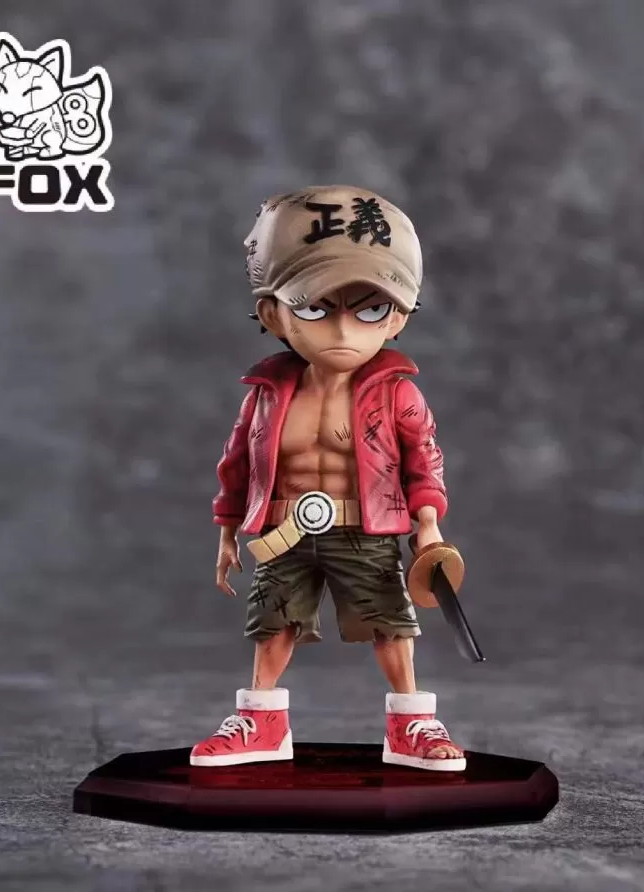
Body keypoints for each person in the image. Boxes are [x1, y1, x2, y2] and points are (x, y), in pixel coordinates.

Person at [192, 186, 466, 771]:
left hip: (364, 528)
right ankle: (262, 723)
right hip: (284, 530)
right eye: (316, 309)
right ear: (273, 313)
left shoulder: (397, 394)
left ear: (398, 316)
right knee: (273, 622)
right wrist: (226, 532)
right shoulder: (266, 396)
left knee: (391, 623)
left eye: (368, 309)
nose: (343, 331)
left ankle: (411, 723)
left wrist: (428, 527)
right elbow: (237, 465)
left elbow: (423, 462)